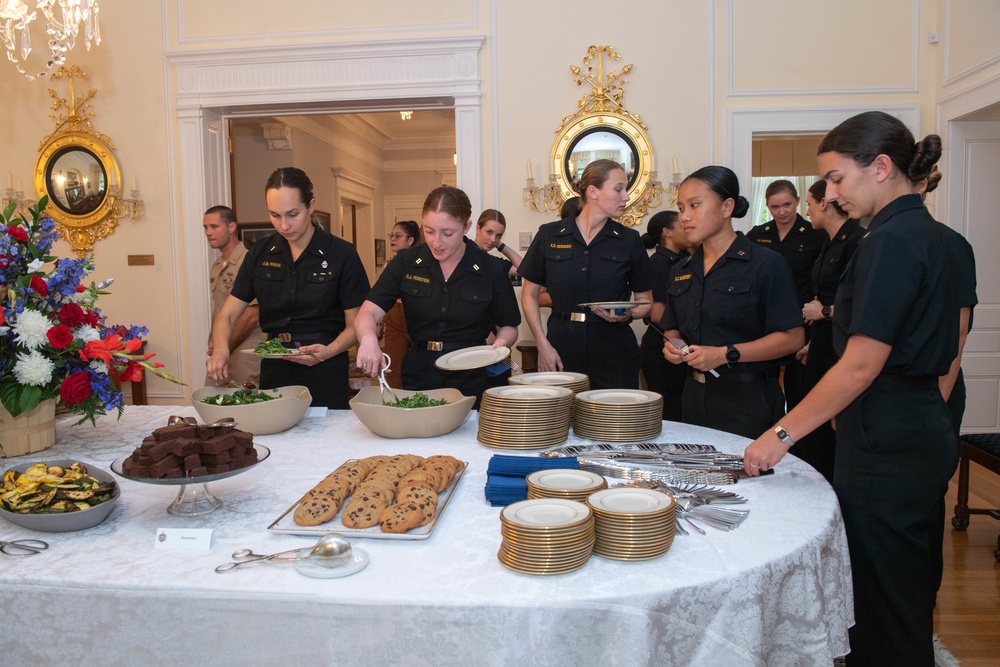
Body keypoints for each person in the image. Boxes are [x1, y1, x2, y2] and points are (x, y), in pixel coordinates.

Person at [742, 111, 962, 666]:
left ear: (881, 167)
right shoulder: (929, 234)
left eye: (838, 178)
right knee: (900, 587)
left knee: (881, 599)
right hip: (910, 423)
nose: (832, 194)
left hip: (888, 433)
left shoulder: (889, 241)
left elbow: (862, 364)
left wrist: (780, 434)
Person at [206, 167, 370, 409]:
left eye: (293, 214)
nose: (284, 225)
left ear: (310, 206)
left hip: (325, 366)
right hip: (275, 366)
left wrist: (326, 352)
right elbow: (227, 315)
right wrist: (220, 350)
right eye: (275, 215)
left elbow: (356, 325)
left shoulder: (341, 254)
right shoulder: (259, 254)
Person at [660, 166, 804, 439]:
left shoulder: (765, 264)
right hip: (693, 397)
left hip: (748, 401)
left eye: (694, 205)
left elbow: (793, 338)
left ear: (727, 207)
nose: (685, 217)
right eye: (681, 208)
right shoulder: (682, 268)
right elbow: (672, 327)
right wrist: (674, 345)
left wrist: (725, 354)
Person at [354, 186, 521, 405]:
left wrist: (501, 343)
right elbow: (367, 312)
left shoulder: (491, 269)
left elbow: (508, 326)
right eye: (429, 231)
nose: (436, 241)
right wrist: (367, 339)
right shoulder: (406, 263)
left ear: (466, 227)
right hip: (421, 372)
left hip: (473, 372)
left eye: (447, 233)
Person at [519, 159, 654, 389]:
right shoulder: (549, 235)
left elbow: (646, 301)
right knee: (560, 421)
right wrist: (542, 344)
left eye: (627, 189)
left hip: (614, 349)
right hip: (561, 345)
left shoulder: (629, 240)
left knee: (612, 422)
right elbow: (529, 295)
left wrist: (627, 315)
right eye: (618, 188)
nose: (627, 197)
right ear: (593, 191)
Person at [792, 180, 863, 482]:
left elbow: (862, 305)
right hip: (824, 342)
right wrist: (815, 339)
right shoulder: (828, 241)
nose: (806, 211)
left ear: (824, 203)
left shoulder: (857, 241)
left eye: (808, 203)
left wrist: (823, 312)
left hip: (846, 349)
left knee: (835, 427)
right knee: (818, 429)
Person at [746, 180, 825, 410]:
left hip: (804, 320)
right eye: (775, 207)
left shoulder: (815, 234)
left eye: (787, 205)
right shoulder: (758, 234)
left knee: (801, 389)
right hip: (768, 324)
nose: (782, 212)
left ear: (798, 202)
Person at [202, 205, 265, 387]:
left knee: (244, 407)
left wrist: (224, 348)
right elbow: (219, 307)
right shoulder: (217, 264)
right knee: (213, 399)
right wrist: (214, 342)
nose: (208, 232)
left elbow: (252, 315)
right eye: (206, 227)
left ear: (231, 227)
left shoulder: (248, 261)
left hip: (245, 348)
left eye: (214, 226)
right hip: (225, 346)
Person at [639, 211, 691, 421]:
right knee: (669, 410)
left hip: (680, 345)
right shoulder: (658, 264)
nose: (688, 228)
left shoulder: (687, 260)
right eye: (681, 225)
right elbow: (657, 314)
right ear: (667, 232)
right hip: (662, 347)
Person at [381, 220, 420, 389]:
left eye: (398, 236)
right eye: (392, 235)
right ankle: (394, 403)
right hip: (394, 317)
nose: (393, 239)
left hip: (417, 316)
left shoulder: (421, 263)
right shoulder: (389, 264)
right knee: (393, 365)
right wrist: (378, 323)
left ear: (410, 240)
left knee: (418, 365)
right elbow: (382, 297)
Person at [474, 209, 523, 276]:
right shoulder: (464, 251)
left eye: (498, 235)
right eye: (489, 232)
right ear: (477, 229)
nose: (493, 240)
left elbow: (525, 270)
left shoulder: (492, 262)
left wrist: (500, 245)